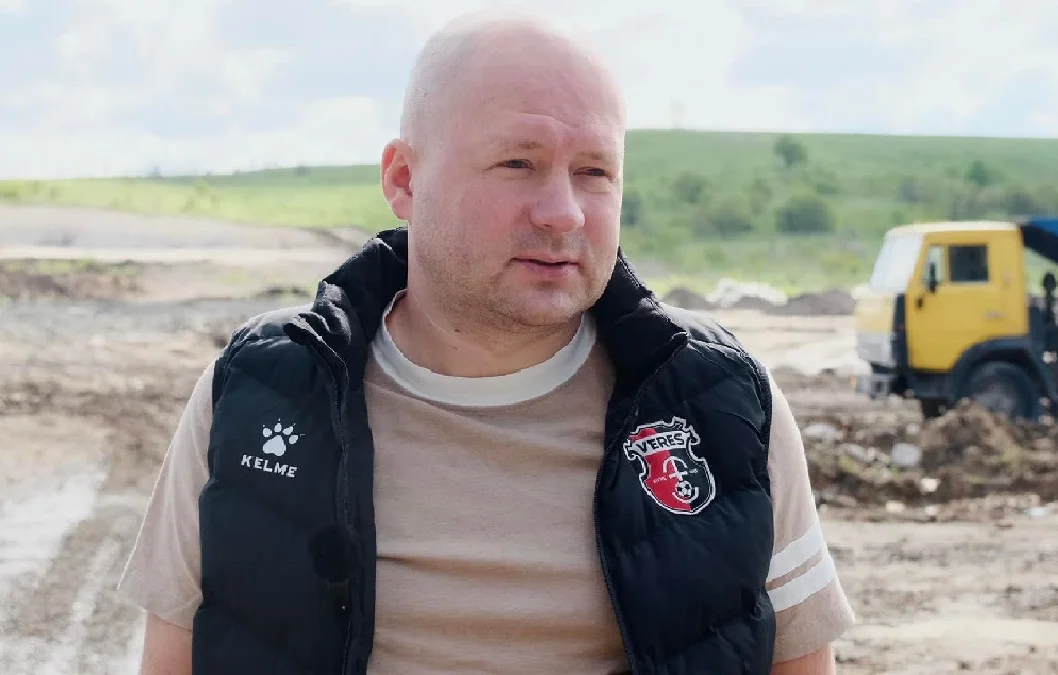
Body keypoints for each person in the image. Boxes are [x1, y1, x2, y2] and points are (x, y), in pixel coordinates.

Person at [116, 9, 855, 675]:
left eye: (594, 171)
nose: (564, 213)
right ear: (404, 179)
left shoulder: (721, 404)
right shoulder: (257, 393)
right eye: (518, 163)